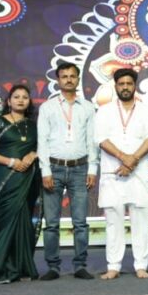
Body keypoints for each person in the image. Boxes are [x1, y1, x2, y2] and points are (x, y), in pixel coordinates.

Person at [93, 68, 148, 279]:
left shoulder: (146, 111)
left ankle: (141, 265)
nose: (125, 87)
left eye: (129, 84)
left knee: (141, 220)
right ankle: (113, 265)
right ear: (115, 86)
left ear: (134, 86)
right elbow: (100, 139)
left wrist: (133, 160)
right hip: (112, 171)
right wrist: (124, 157)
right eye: (121, 84)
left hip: (139, 172)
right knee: (113, 221)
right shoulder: (104, 111)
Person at [37, 62, 99, 280]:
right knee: (51, 223)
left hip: (80, 168)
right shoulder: (48, 107)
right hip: (53, 168)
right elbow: (42, 141)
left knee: (80, 222)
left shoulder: (88, 107)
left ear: (78, 79)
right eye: (64, 76)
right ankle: (53, 266)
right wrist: (45, 171)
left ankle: (80, 265)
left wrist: (93, 168)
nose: (69, 79)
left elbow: (92, 140)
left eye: (72, 76)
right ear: (58, 80)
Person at [0, 85, 41, 284]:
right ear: (9, 101)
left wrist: (33, 154)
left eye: (25, 97)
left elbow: (44, 145)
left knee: (24, 220)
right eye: (16, 97)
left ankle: (22, 268)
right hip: (5, 176)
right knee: (6, 220)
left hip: (27, 177)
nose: (21, 100)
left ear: (29, 102)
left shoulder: (34, 125)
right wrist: (11, 162)